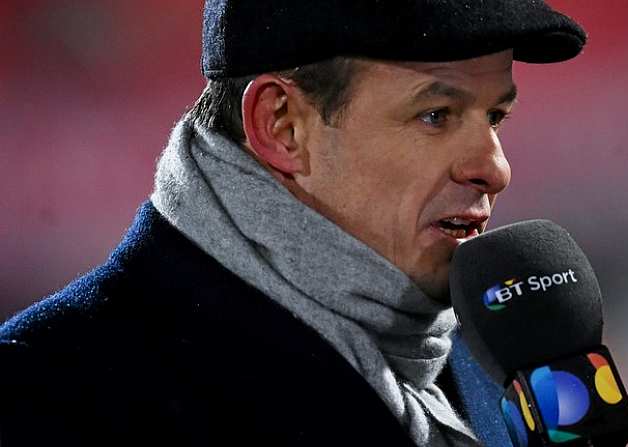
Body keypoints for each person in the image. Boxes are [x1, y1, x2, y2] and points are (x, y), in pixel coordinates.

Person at [0, 1, 586, 446]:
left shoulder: (489, 367)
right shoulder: (47, 395)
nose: (495, 169)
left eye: (496, 116)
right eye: (436, 115)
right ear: (282, 125)